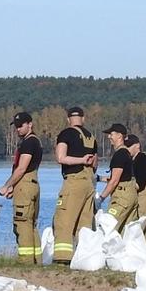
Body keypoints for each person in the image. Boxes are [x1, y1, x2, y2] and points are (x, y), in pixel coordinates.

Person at [51, 107, 98, 262]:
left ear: (68, 119)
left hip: (74, 180)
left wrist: (80, 160)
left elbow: (60, 157)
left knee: (63, 220)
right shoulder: (91, 137)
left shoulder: (66, 134)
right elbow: (95, 164)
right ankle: (83, 258)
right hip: (89, 183)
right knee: (84, 225)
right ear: (83, 119)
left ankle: (62, 258)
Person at [0, 112, 43, 263]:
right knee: (31, 223)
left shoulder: (29, 143)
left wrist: (7, 185)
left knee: (22, 222)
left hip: (25, 183)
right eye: (16, 126)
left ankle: (25, 259)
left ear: (30, 124)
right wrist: (13, 187)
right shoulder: (33, 141)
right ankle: (37, 259)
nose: (18, 129)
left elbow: (21, 168)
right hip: (31, 183)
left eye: (21, 125)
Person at [99, 124, 140, 229]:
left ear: (119, 136)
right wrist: (99, 178)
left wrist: (101, 198)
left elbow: (114, 180)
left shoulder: (120, 154)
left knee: (107, 227)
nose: (109, 137)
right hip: (130, 196)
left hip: (122, 198)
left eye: (111, 134)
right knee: (126, 233)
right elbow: (123, 177)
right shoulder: (127, 153)